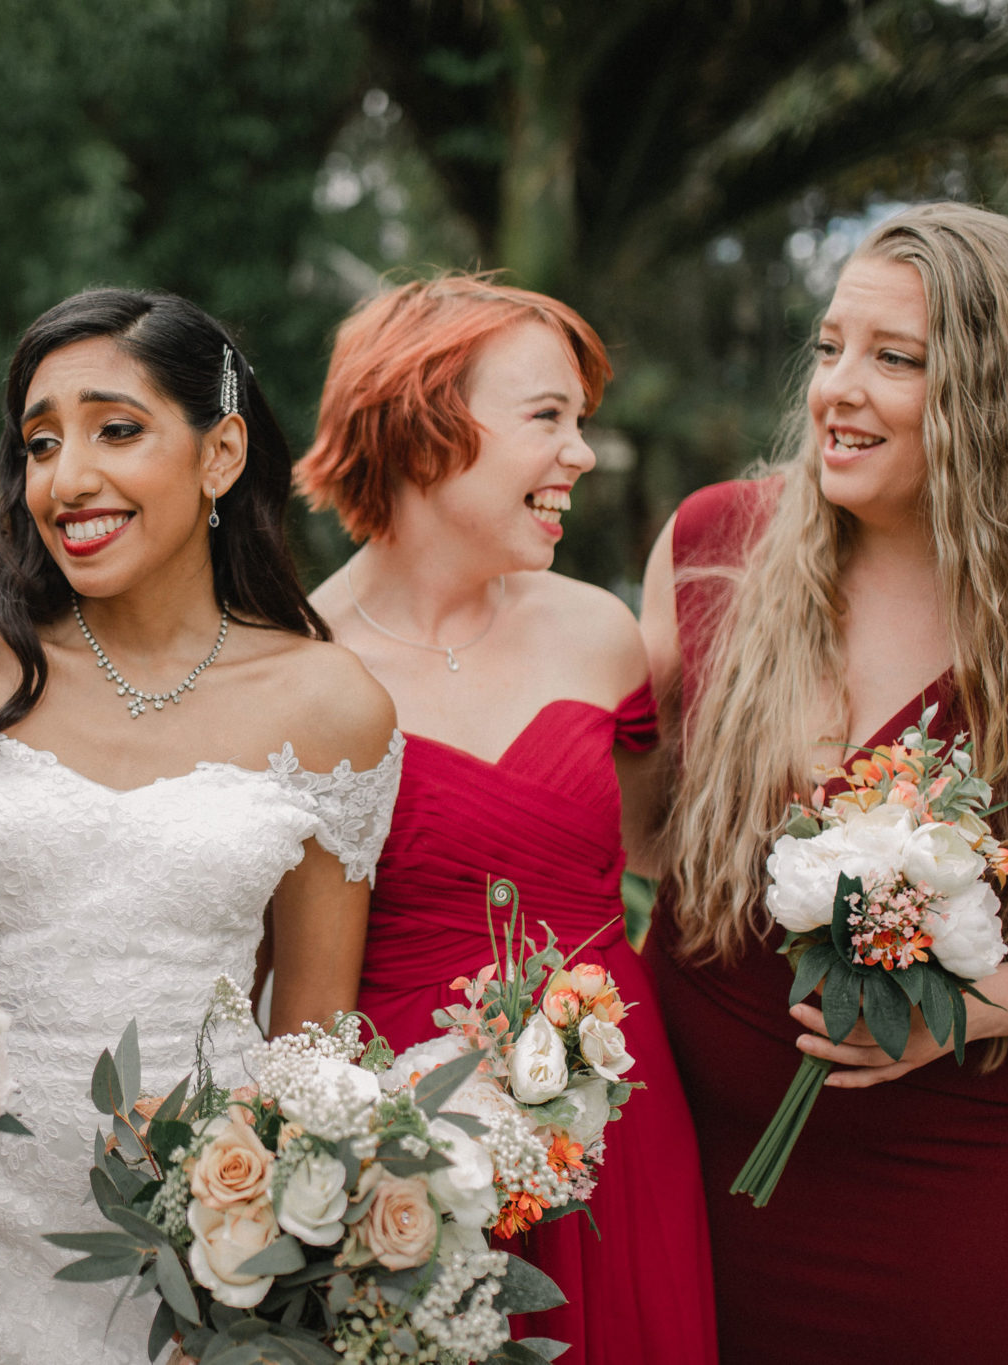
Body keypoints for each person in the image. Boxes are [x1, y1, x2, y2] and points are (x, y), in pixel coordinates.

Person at [638, 202, 1008, 1363]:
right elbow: (641, 839)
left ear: (995, 399)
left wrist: (955, 1014)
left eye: (892, 359)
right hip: (683, 1163)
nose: (836, 387)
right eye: (830, 346)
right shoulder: (711, 549)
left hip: (955, 1179)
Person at [0, 287, 401, 1365]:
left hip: (188, 1269)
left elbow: (314, 1047)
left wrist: (255, 1292)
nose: (65, 478)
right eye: (39, 443)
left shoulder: (332, 708)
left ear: (219, 454)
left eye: (114, 430)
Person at [297, 274, 717, 1364]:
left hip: (616, 1125)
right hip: (404, 1154)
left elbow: (661, 853)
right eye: (547, 418)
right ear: (423, 422)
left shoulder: (597, 632)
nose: (580, 453)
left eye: (579, 421)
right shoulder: (290, 663)